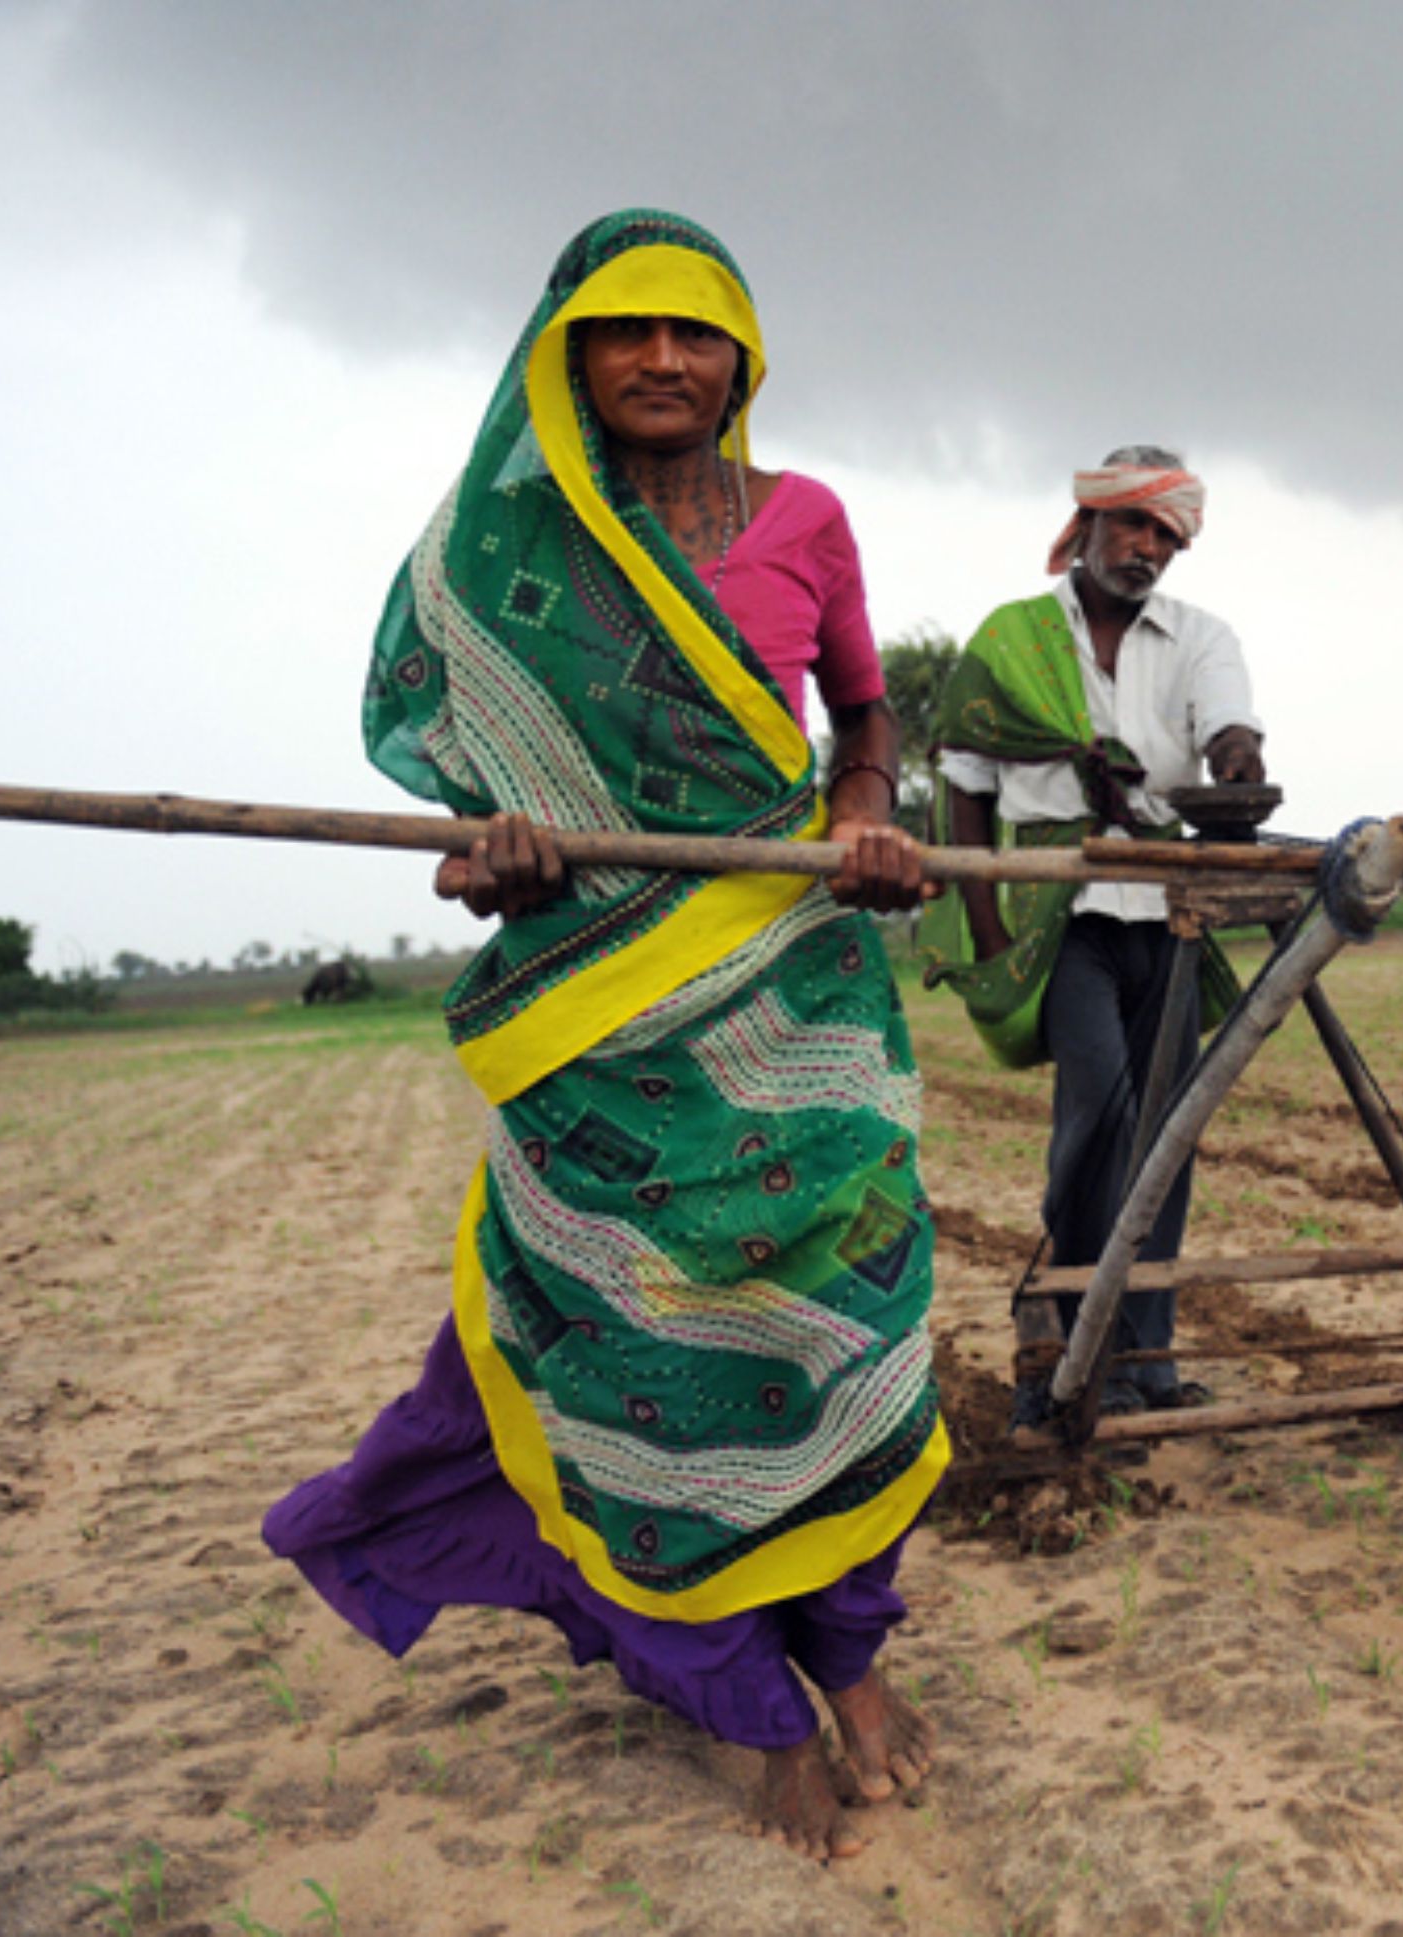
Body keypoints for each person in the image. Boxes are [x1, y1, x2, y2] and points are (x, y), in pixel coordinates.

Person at [276, 209, 942, 1863]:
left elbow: (861, 715)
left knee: (842, 1327)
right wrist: (492, 854)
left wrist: (867, 812)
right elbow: (471, 817)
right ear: (565, 357)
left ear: (741, 361)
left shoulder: (811, 521)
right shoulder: (499, 561)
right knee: (641, 1366)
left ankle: (849, 1661)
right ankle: (745, 1701)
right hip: (602, 1029)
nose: (659, 359)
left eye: (691, 332)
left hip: (795, 987)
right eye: (622, 331)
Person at [924, 448, 1264, 1427]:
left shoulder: (1200, 636)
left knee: (1170, 1126)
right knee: (1101, 1112)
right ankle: (1079, 1340)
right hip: (1056, 914)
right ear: (1085, 525)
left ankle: (1145, 1354)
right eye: (1133, 525)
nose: (1147, 546)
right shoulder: (1013, 638)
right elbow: (964, 787)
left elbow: (1232, 729)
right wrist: (989, 935)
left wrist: (1239, 761)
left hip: (1167, 908)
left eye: (1166, 534)